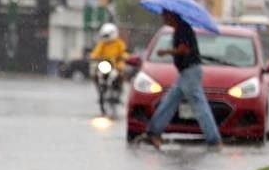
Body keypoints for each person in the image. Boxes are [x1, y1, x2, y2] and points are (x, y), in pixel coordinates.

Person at [140, 9, 222, 149]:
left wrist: (167, 51)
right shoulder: (178, 29)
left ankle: (213, 139)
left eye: (165, 15)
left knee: (199, 105)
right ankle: (154, 131)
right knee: (170, 101)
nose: (163, 18)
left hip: (190, 72)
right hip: (186, 72)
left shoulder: (183, 29)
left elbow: (185, 49)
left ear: (172, 15)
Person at [90, 22, 128, 94]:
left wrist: (123, 56)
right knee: (95, 73)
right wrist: (93, 56)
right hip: (105, 63)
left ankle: (119, 87)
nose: (105, 37)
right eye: (104, 35)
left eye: (106, 35)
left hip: (116, 63)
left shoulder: (118, 43)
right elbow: (96, 52)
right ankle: (100, 89)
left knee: (121, 73)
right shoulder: (102, 44)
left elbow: (123, 51)